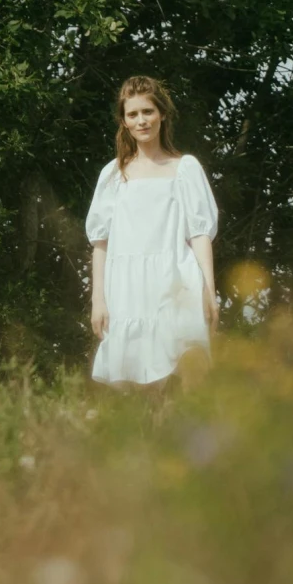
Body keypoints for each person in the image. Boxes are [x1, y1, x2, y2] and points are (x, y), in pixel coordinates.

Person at [86, 77, 219, 386]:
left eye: (148, 111)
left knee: (187, 373)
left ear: (162, 114)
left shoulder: (185, 168)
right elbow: (100, 242)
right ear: (124, 121)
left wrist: (209, 292)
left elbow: (199, 234)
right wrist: (98, 300)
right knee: (136, 383)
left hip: (176, 284)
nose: (141, 120)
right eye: (133, 114)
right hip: (127, 292)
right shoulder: (113, 175)